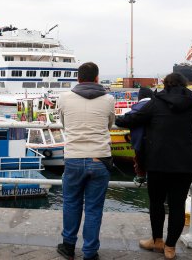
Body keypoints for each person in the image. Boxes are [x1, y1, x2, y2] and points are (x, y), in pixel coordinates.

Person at [115, 73, 192, 259]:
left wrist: (116, 120)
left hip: (158, 162)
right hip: (185, 163)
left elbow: (131, 119)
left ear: (165, 85)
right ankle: (170, 248)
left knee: (156, 203)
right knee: (177, 205)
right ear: (184, 85)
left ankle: (157, 241)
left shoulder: (156, 102)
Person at [57, 62, 115, 260]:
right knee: (93, 208)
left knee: (71, 204)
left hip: (73, 157)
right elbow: (109, 124)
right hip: (100, 158)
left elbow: (64, 123)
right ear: (97, 78)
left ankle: (68, 246)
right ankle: (90, 253)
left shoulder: (64, 98)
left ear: (78, 79)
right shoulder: (109, 99)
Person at [126, 87, 154, 183]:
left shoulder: (134, 110)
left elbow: (123, 120)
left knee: (140, 160)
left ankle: (140, 176)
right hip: (158, 146)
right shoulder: (159, 108)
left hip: (139, 145)